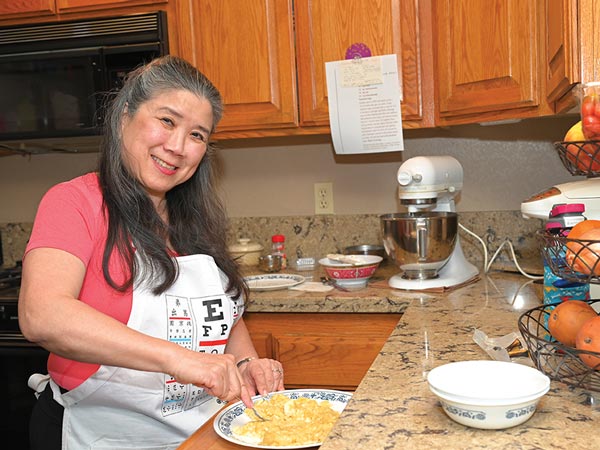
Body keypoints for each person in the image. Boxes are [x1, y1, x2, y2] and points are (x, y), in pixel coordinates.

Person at [18, 55, 284, 450]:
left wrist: (246, 366)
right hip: (101, 438)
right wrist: (180, 359)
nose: (178, 146)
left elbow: (222, 318)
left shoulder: (193, 222)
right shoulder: (75, 202)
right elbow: (42, 315)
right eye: (167, 120)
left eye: (198, 135)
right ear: (125, 114)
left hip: (195, 435)